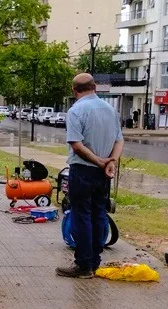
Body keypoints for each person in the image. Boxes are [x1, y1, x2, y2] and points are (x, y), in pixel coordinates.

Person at [56, 73, 124, 279]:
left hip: (84, 170)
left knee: (81, 216)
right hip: (103, 173)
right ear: (95, 87)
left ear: (74, 90)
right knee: (99, 215)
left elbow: (76, 145)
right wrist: (110, 161)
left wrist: (99, 161)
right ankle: (95, 262)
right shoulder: (111, 110)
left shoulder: (76, 110)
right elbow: (119, 140)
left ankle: (83, 265)